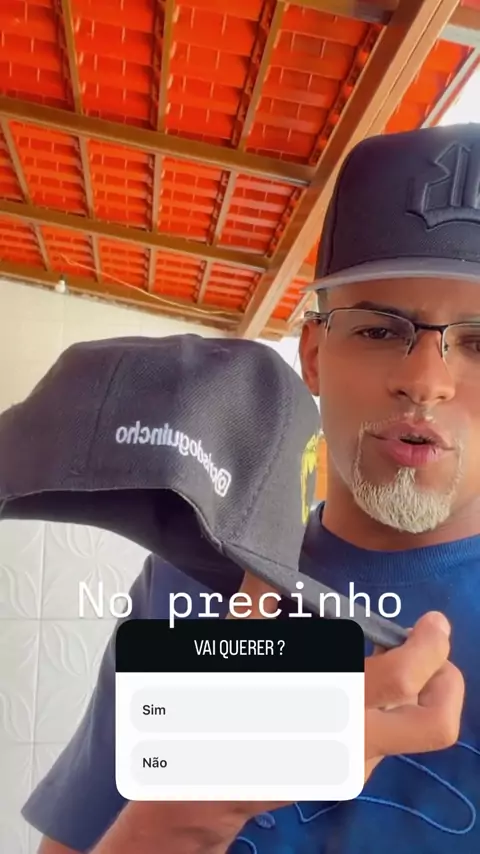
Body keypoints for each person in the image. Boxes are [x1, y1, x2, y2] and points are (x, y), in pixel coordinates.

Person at [24, 121, 480, 853]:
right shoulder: (189, 580)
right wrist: (182, 816)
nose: (425, 381)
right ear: (314, 355)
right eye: (377, 329)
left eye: (479, 342)